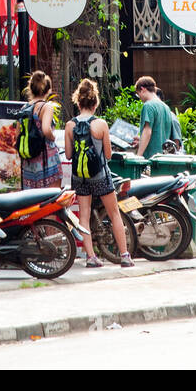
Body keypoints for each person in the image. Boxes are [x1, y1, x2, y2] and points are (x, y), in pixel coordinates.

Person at [65, 78, 134, 268]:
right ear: (95, 103)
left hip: (79, 177)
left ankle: (90, 257)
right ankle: (125, 256)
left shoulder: (70, 125)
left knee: (84, 216)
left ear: (78, 102)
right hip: (100, 176)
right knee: (114, 213)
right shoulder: (101, 124)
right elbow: (109, 155)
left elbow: (69, 155)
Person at [20, 71, 62, 190]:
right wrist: (54, 138)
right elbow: (46, 129)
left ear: (31, 88)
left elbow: (18, 133)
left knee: (32, 200)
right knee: (52, 199)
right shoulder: (46, 106)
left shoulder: (25, 107)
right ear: (48, 90)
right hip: (46, 158)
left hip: (29, 161)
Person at [134, 76, 182, 158]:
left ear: (142, 89)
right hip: (162, 158)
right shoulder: (166, 107)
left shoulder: (148, 105)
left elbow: (147, 131)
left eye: (139, 94)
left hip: (150, 158)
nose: (140, 99)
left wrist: (139, 155)